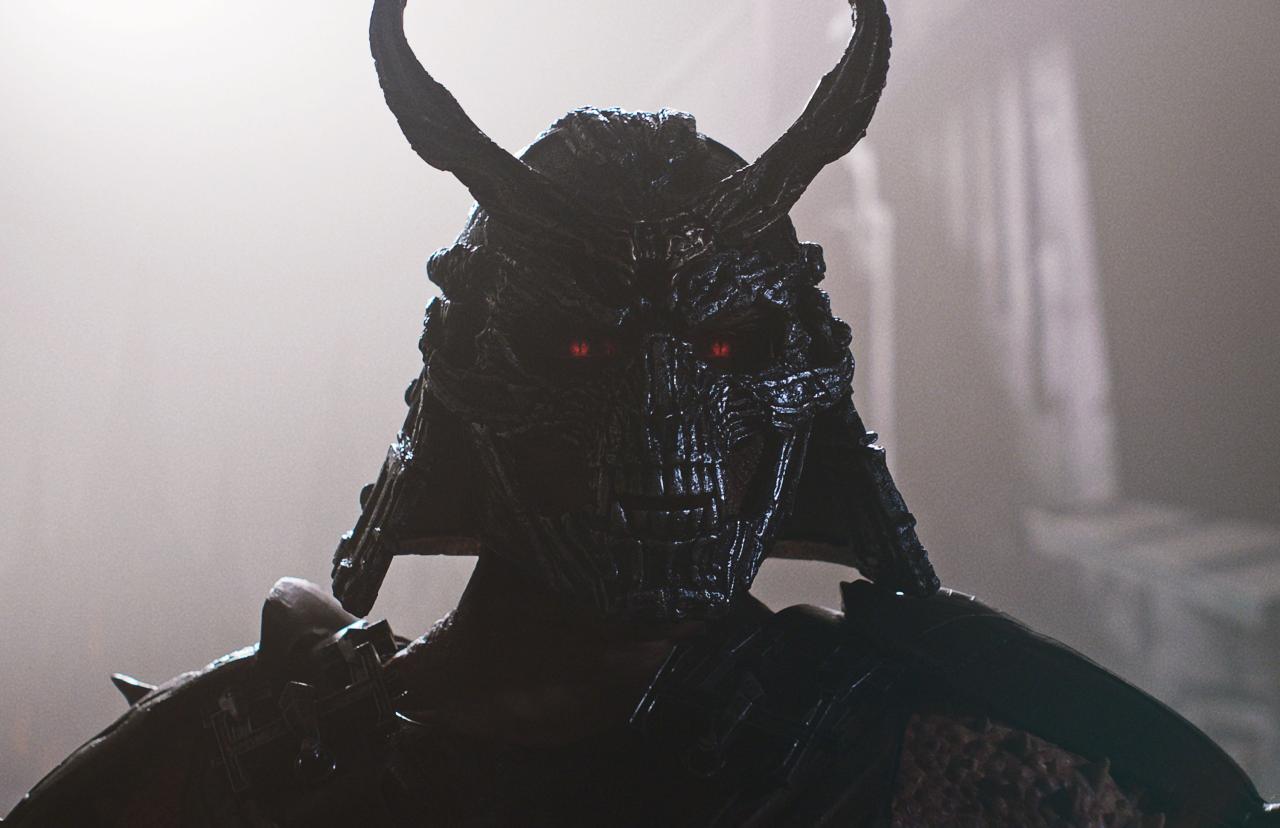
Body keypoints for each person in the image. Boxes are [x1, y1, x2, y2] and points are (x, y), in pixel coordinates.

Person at [7, 0, 1276, 825]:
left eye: (720, 346)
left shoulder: (933, 752)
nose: (661, 415)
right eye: (584, 345)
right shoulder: (263, 758)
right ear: (472, 381)